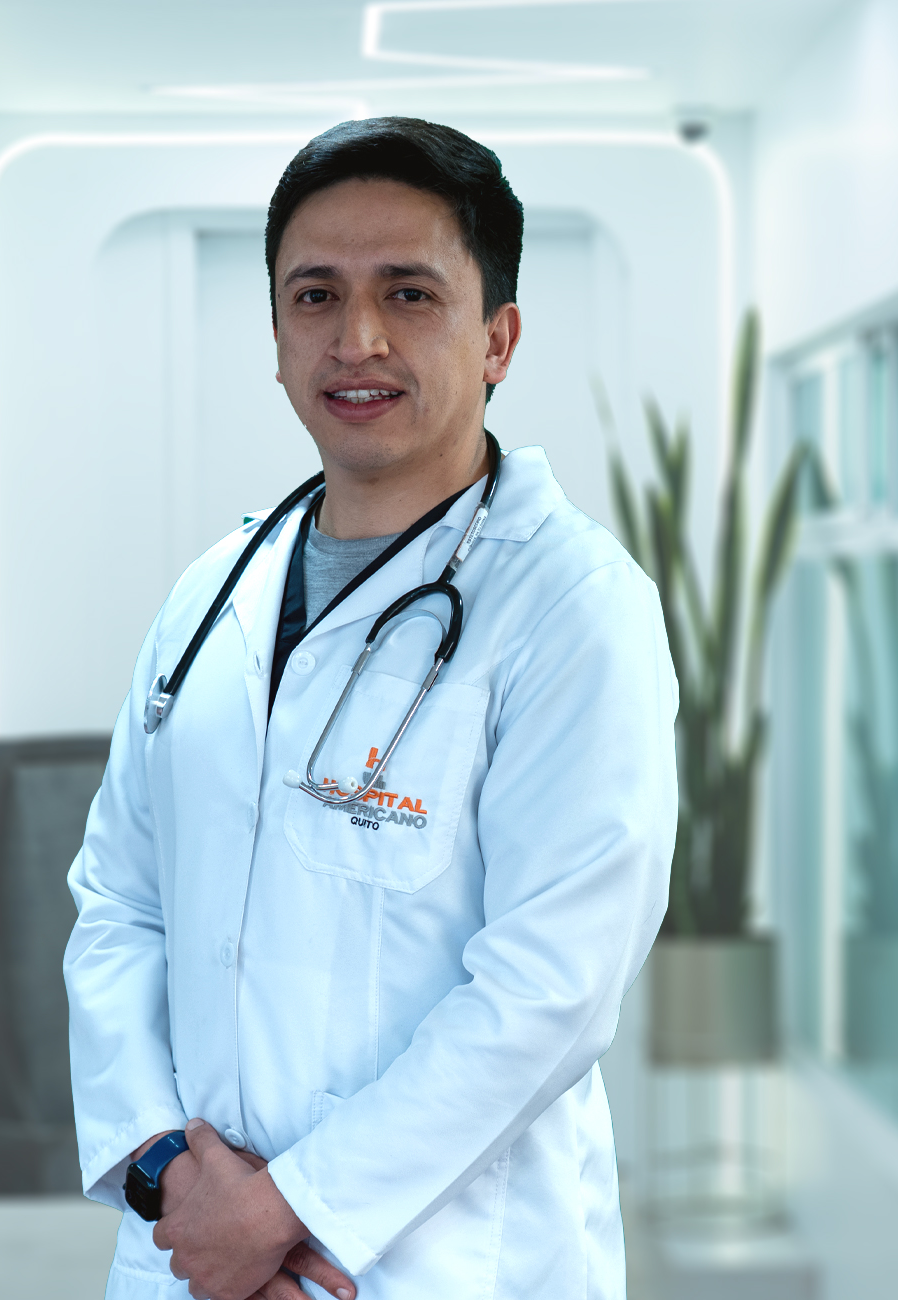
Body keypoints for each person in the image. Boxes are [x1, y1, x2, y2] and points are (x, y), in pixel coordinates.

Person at [64, 116, 677, 1300]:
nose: (358, 339)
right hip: (190, 1251)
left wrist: (286, 1214)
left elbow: (549, 987)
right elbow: (119, 902)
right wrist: (165, 1172)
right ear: (277, 336)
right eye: (316, 296)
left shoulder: (573, 608)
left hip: (435, 1264)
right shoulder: (213, 594)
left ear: (497, 338)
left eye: (409, 293)